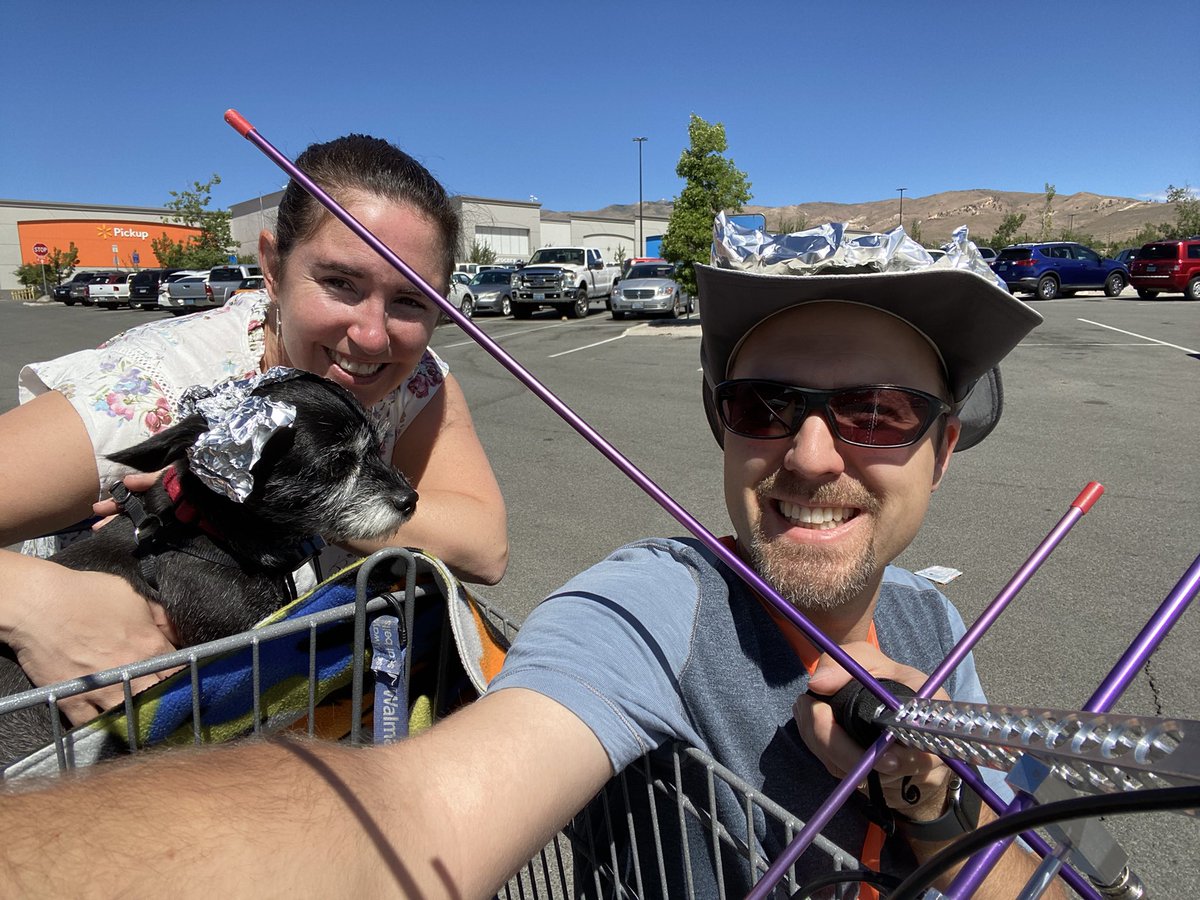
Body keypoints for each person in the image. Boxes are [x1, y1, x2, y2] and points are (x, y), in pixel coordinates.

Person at [0, 221, 1059, 899]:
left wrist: (936, 798)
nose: (813, 452)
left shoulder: (930, 622)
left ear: (945, 443)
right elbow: (407, 817)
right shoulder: (652, 610)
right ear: (724, 426)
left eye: (877, 412)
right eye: (765, 404)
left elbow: (478, 537)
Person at [0, 134, 508, 724]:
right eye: (341, 282)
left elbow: (484, 546)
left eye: (411, 300)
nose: (373, 335)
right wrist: (35, 600)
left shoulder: (412, 378)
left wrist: (270, 496)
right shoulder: (152, 392)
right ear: (272, 267)